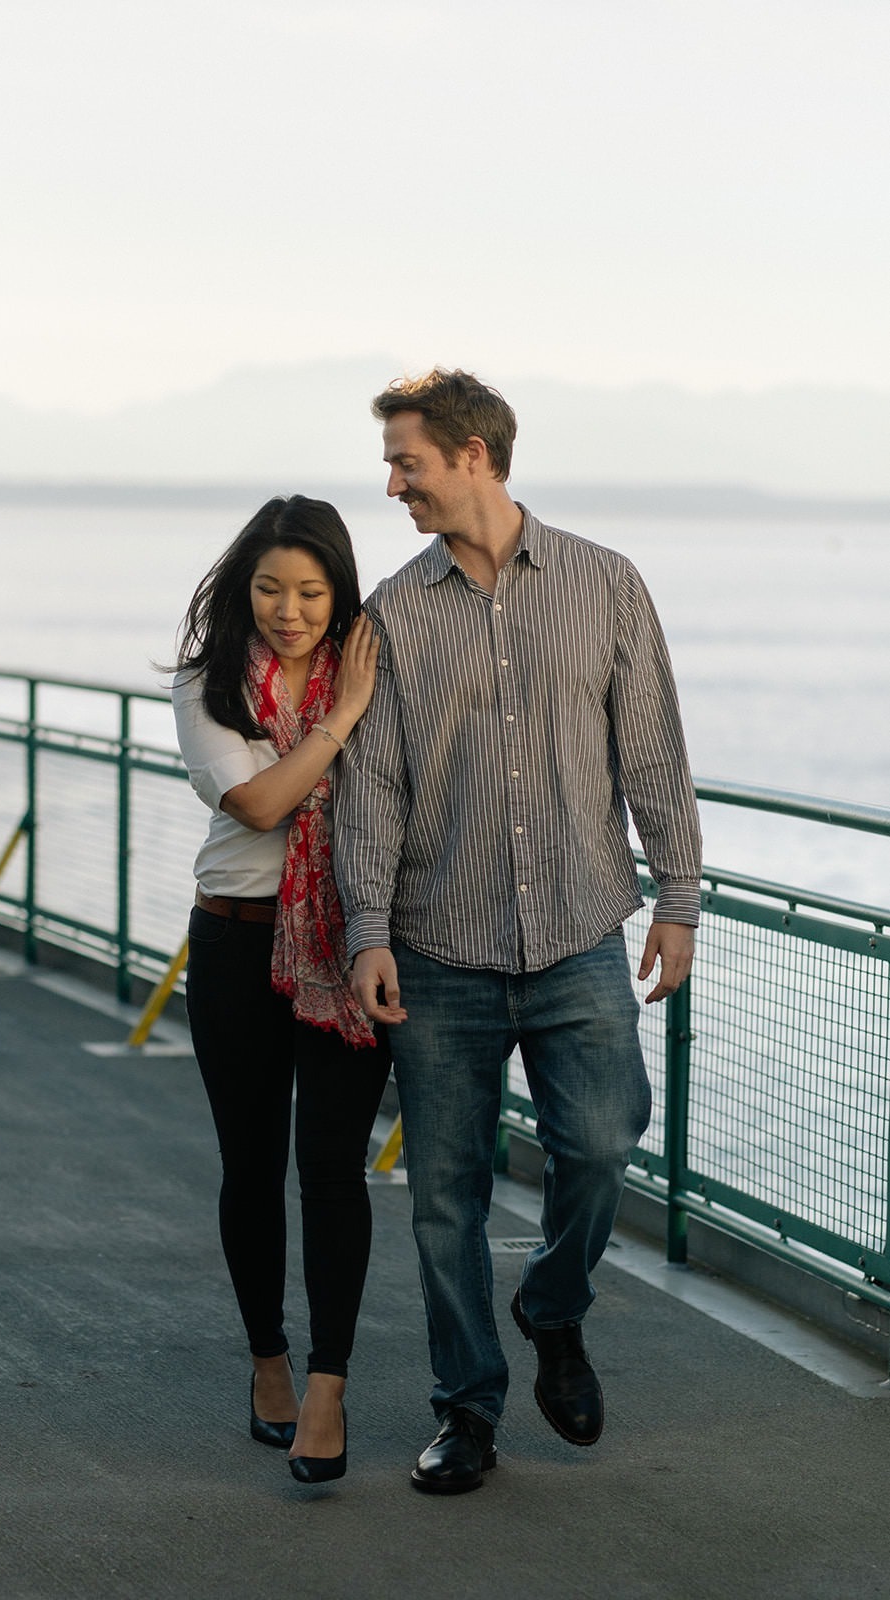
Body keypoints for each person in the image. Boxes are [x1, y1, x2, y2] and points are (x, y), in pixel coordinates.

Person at [334, 368, 702, 1494]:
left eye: (408, 461)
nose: (390, 482)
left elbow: (651, 751)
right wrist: (368, 929)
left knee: (601, 1137)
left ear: (476, 455)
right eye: (392, 462)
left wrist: (679, 896)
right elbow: (373, 786)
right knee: (444, 1196)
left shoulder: (606, 584)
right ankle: (468, 1409)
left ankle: (552, 1305)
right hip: (438, 947)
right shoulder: (393, 610)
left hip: (581, 930)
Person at [171, 494, 390, 1485]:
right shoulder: (208, 681)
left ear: (337, 589)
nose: (289, 610)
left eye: (309, 590)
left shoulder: (380, 667)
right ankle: (269, 1358)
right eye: (269, 587)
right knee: (252, 1165)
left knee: (333, 1171)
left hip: (348, 947)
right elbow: (258, 801)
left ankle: (329, 1387)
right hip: (236, 946)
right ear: (241, 587)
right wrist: (341, 718)